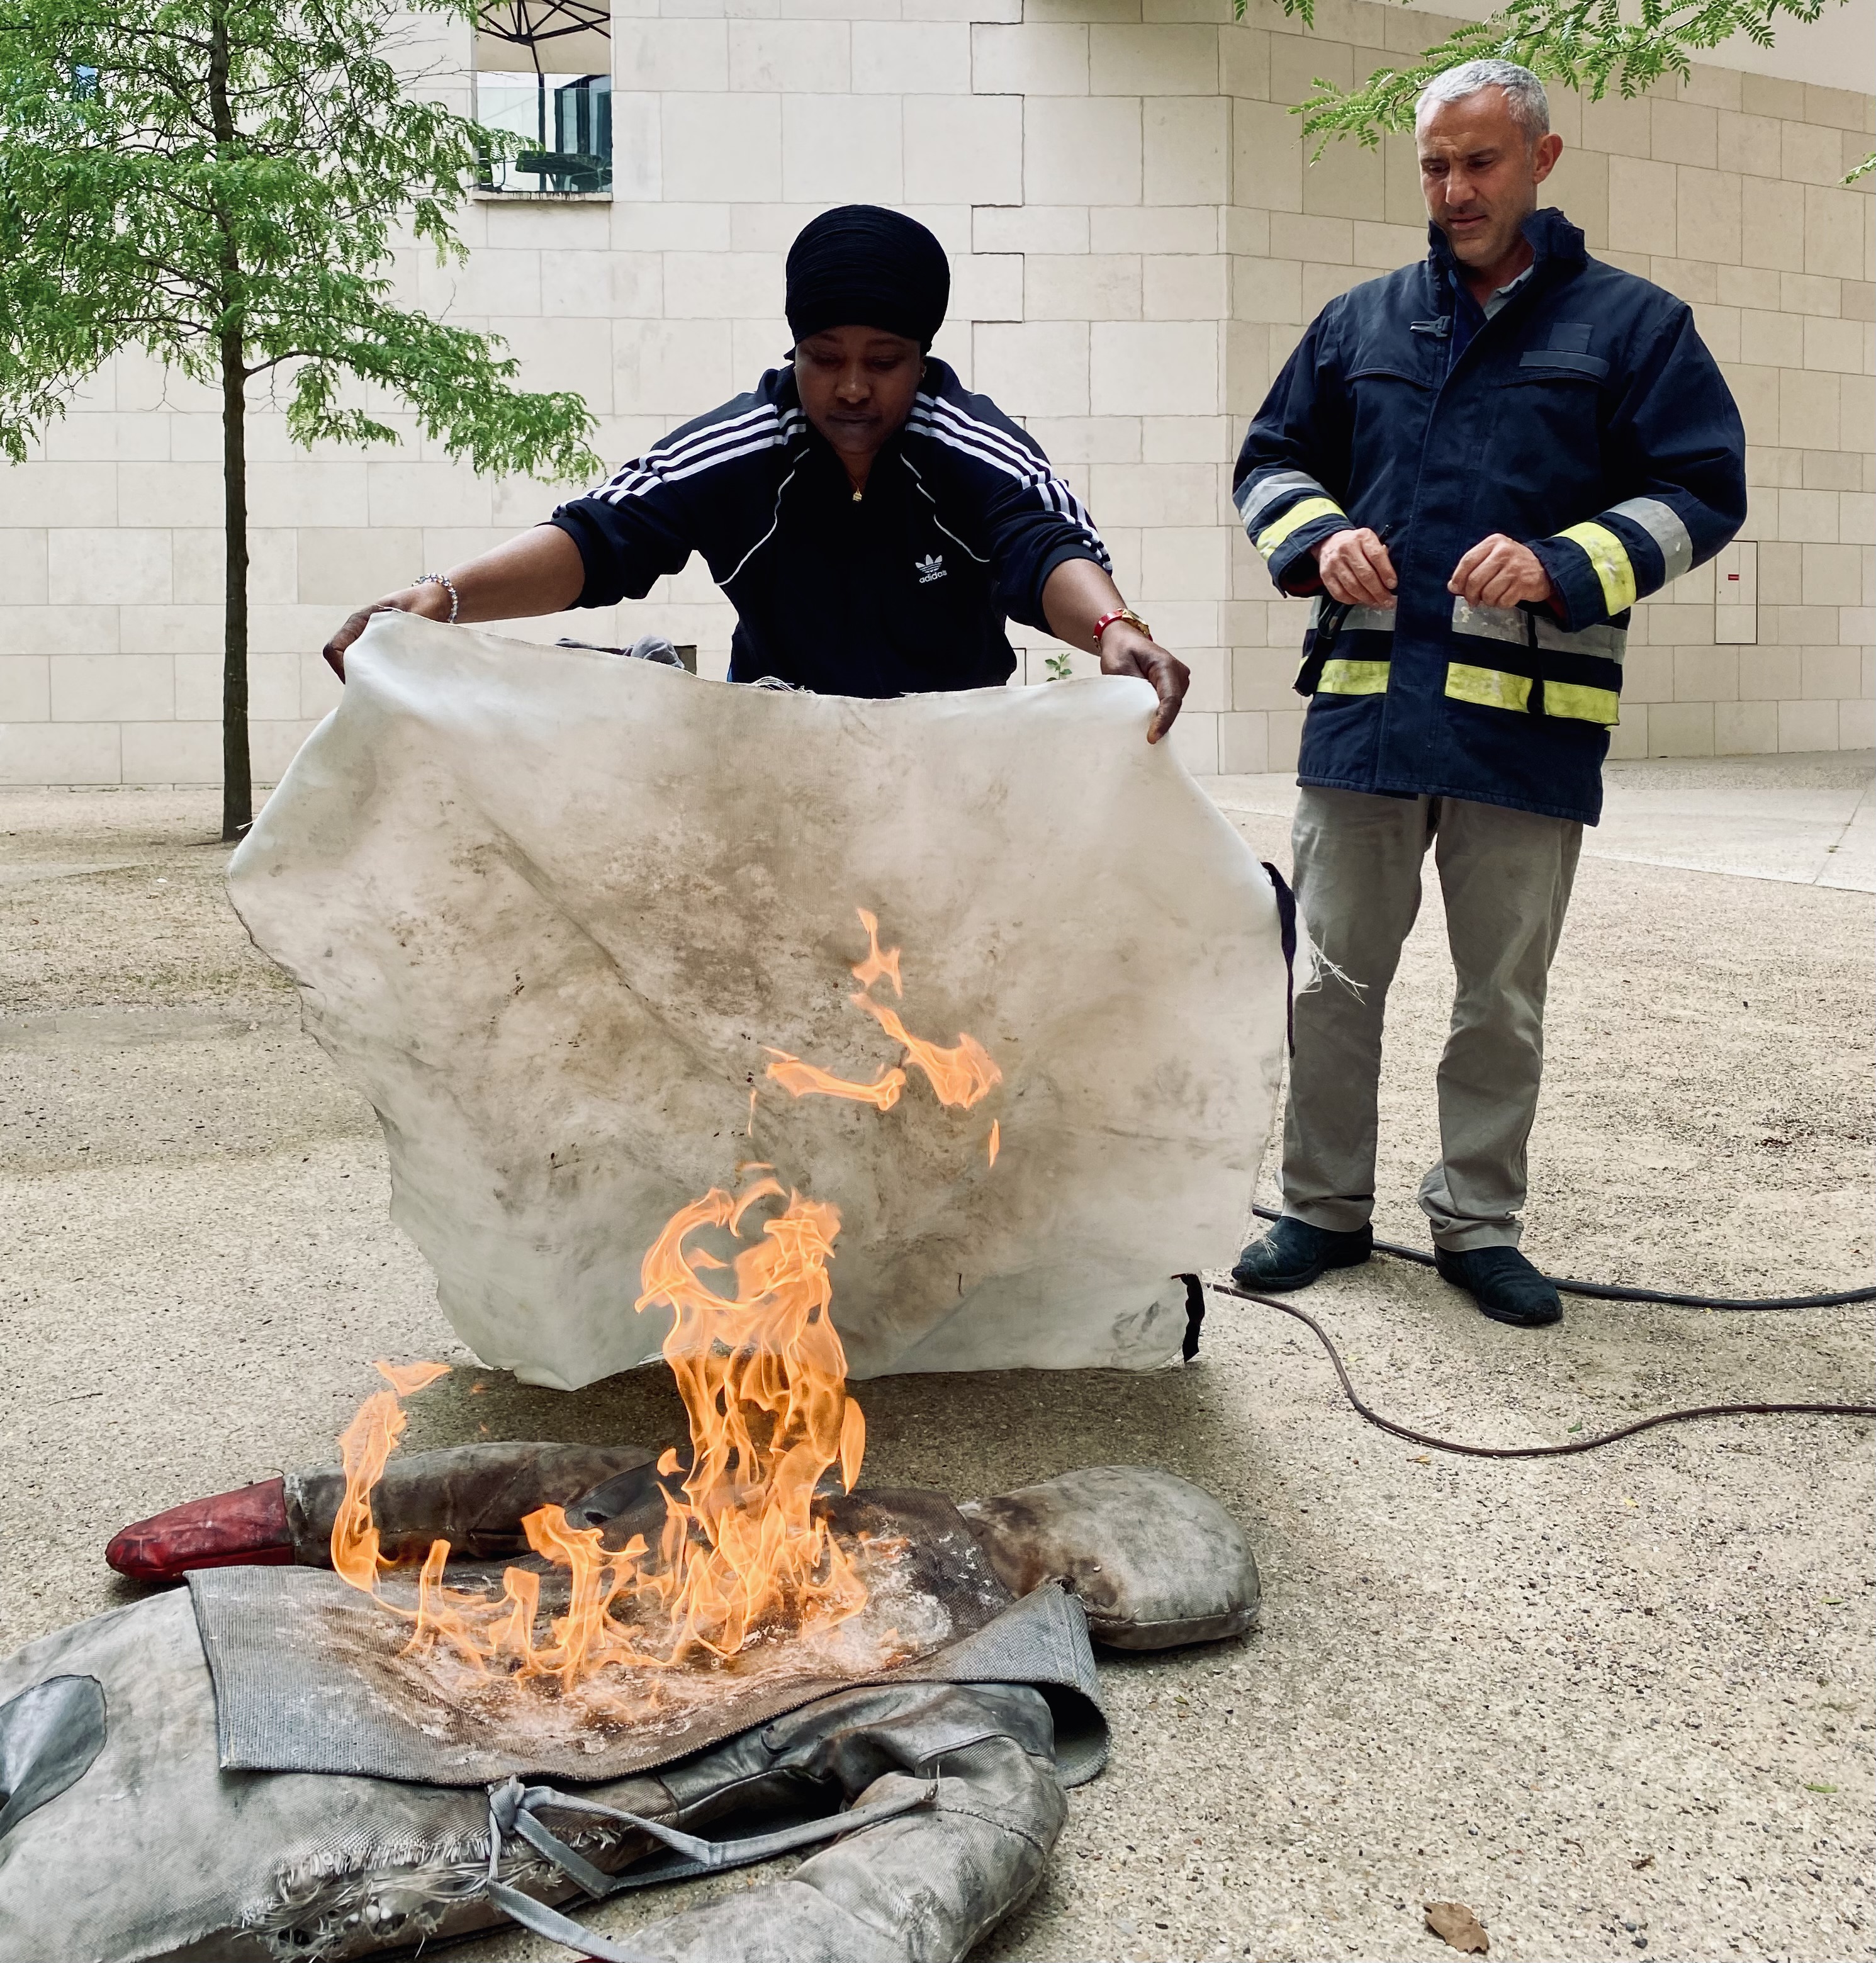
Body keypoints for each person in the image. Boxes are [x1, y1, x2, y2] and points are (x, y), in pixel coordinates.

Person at [1229, 59, 1746, 1327]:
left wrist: (1566, 561)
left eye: (1480, 163)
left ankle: (1476, 1221)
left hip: (1527, 727)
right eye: (1434, 166)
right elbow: (1270, 458)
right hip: (1365, 711)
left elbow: (1702, 492)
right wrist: (1315, 535)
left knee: (1500, 996)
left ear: (1542, 161)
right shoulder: (1361, 323)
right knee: (1330, 981)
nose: (1454, 189)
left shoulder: (1636, 329)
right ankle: (1319, 1208)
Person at [323, 204, 1188, 741]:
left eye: (883, 360)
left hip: (954, 759)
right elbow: (599, 536)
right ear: (795, 352)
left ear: (922, 359)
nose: (851, 386)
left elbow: (1041, 544)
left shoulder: (974, 446)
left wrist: (1114, 625)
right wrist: (447, 596)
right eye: (824, 357)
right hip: (776, 756)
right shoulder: (737, 449)